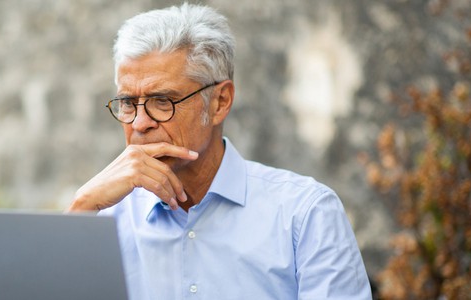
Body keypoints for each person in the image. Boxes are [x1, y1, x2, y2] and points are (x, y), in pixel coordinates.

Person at [67, 3, 371, 299]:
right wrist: (80, 212)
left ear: (219, 102)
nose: (140, 123)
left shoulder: (304, 214)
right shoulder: (101, 218)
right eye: (128, 103)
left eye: (163, 101)